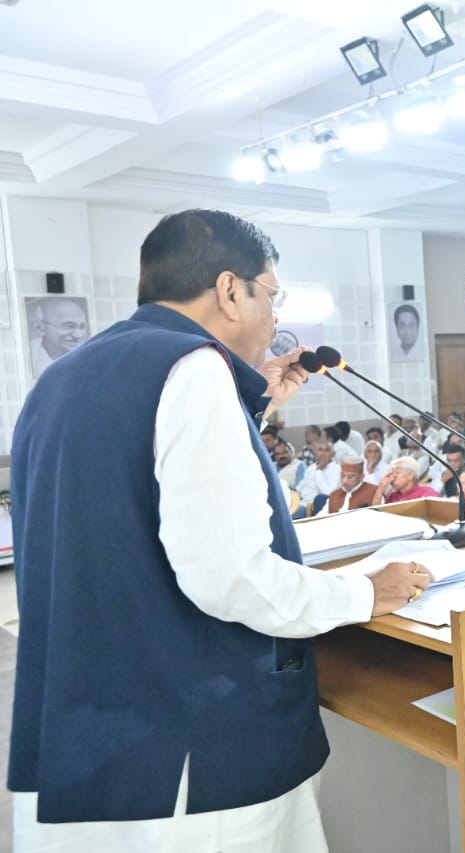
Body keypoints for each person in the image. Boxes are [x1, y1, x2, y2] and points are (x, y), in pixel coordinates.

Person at [8, 209, 430, 851]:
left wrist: (249, 408)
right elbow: (231, 579)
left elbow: (126, 499)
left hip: (92, 731)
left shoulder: (61, 378)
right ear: (233, 290)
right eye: (273, 296)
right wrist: (368, 591)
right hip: (194, 753)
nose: (275, 320)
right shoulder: (194, 370)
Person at [27, 296, 89, 377]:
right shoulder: (29, 354)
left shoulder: (88, 357)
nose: (78, 335)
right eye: (69, 326)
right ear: (41, 326)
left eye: (82, 327)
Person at [374, 456, 441, 505]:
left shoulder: (427, 493)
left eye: (396, 472)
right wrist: (380, 490)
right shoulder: (392, 496)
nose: (392, 477)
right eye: (391, 473)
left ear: (410, 475)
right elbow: (376, 516)